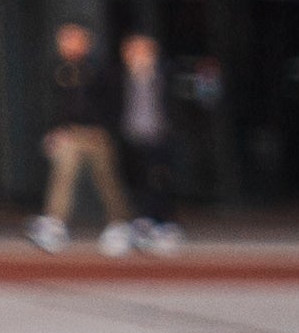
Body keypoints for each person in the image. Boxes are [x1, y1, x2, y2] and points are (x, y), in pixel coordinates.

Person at [29, 17, 131, 254]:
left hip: (97, 133)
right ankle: (55, 224)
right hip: (70, 134)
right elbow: (56, 105)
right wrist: (54, 131)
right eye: (63, 39)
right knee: (63, 174)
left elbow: (113, 103)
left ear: (86, 41)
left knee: (107, 180)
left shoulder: (100, 68)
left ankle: (121, 223)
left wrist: (106, 129)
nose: (66, 43)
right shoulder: (58, 69)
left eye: (72, 38)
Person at [116, 28, 183, 253]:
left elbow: (173, 104)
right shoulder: (122, 77)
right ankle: (143, 222)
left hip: (158, 135)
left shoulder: (162, 75)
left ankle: (163, 223)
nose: (137, 55)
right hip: (132, 136)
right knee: (137, 181)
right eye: (133, 51)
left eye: (142, 50)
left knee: (159, 180)